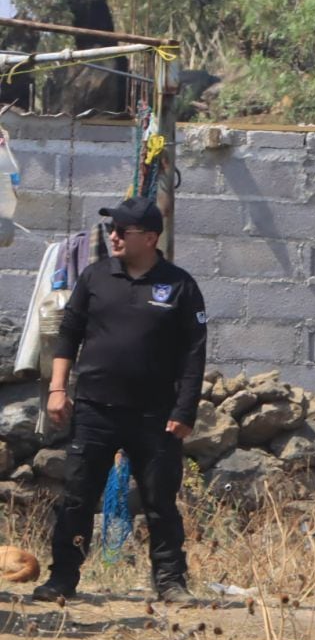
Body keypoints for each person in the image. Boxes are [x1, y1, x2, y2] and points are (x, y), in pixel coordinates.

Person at [34, 197, 207, 602]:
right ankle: (63, 579)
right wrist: (59, 389)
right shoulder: (95, 277)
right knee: (77, 496)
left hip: (156, 415)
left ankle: (170, 581)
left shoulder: (180, 285)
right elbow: (68, 335)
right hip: (95, 408)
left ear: (148, 238)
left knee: (159, 501)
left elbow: (193, 354)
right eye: (111, 230)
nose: (112, 237)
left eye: (121, 231)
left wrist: (185, 411)